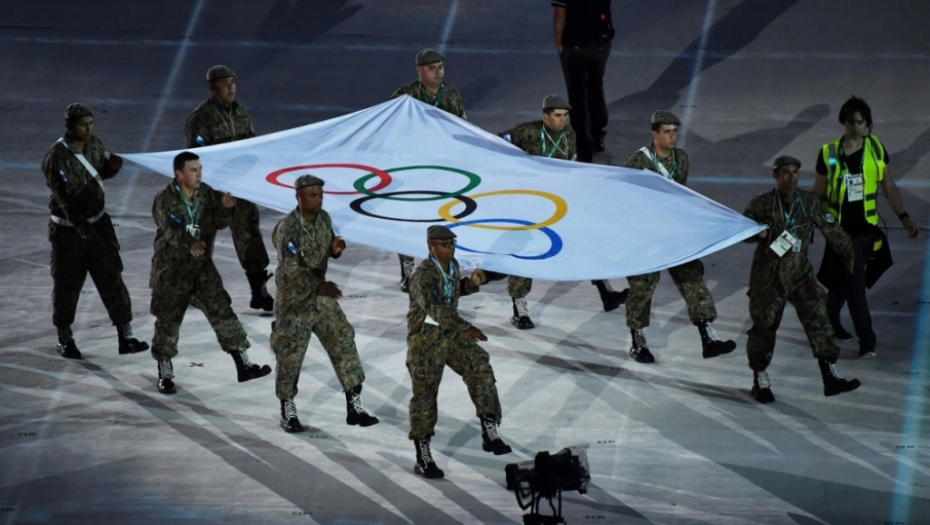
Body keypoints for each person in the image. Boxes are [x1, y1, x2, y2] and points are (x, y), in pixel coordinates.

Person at [492, 94, 628, 330]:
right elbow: (497, 142)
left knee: (584, 242)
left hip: (558, 201)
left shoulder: (569, 134)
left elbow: (570, 163)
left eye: (565, 115)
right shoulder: (528, 132)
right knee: (524, 251)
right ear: (545, 116)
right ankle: (519, 309)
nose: (562, 120)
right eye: (557, 115)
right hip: (531, 203)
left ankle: (606, 292)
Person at [149, 151, 272, 395]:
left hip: (202, 267)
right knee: (168, 320)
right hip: (172, 269)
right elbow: (171, 229)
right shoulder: (165, 198)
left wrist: (226, 208)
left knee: (222, 310)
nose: (199, 174)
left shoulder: (206, 193)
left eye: (200, 169)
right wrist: (189, 244)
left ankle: (243, 365)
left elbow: (218, 221)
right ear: (179, 174)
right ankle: (165, 374)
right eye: (193, 170)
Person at [743, 156, 862, 403]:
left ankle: (830, 376)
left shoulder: (808, 202)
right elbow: (742, 230)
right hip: (768, 278)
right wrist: (756, 233)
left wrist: (849, 254)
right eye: (786, 173)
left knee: (819, 319)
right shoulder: (762, 204)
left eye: (795, 172)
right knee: (764, 328)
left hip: (800, 274)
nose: (792, 177)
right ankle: (760, 379)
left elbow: (831, 228)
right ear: (775, 176)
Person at [622, 110, 735, 362]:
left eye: (675, 132)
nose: (672, 136)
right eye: (667, 132)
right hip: (646, 236)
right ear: (655, 133)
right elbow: (626, 198)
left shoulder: (681, 159)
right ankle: (638, 341)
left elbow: (681, 196)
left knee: (692, 280)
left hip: (674, 234)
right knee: (642, 288)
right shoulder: (638, 161)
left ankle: (708, 337)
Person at [270, 175, 379, 433]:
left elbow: (325, 248)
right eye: (312, 195)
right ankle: (288, 409)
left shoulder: (324, 219)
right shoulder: (288, 228)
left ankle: (354, 407)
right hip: (294, 299)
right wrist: (319, 285)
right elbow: (291, 268)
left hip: (319, 296)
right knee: (290, 354)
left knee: (343, 340)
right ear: (298, 197)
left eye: (319, 194)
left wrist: (334, 249)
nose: (317, 199)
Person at [812, 96, 919, 358]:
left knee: (844, 281)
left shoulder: (876, 149)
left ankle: (829, 320)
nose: (856, 127)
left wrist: (904, 216)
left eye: (860, 122)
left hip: (865, 230)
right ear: (843, 122)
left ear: (867, 123)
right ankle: (867, 341)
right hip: (839, 231)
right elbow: (819, 192)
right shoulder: (829, 154)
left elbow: (888, 186)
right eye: (851, 122)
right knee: (854, 286)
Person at [42, 103, 149, 359]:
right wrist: (78, 223)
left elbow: (100, 173)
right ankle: (65, 339)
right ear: (69, 126)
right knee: (67, 285)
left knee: (112, 279)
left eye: (91, 124)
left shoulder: (94, 144)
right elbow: (62, 195)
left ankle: (125, 337)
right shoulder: (56, 157)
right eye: (83, 125)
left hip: (98, 226)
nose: (88, 129)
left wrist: (112, 168)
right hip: (69, 232)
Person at [406, 225, 511, 479]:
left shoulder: (451, 266)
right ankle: (423, 456)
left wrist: (471, 284)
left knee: (479, 364)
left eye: (452, 243)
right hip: (426, 339)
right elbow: (436, 309)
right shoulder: (422, 276)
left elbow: (451, 292)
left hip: (449, 333)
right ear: (431, 247)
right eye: (444, 244)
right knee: (425, 395)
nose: (450, 248)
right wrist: (466, 327)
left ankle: (489, 430)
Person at [184, 65, 274, 312]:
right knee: (202, 239)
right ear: (212, 88)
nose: (230, 87)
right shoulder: (201, 117)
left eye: (232, 82)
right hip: (211, 190)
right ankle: (196, 290)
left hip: (239, 187)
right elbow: (195, 157)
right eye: (224, 83)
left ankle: (258, 291)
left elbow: (252, 144)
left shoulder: (241, 113)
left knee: (250, 236)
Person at [390, 49, 467, 292]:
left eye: (440, 67)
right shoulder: (405, 96)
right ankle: (407, 269)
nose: (438, 72)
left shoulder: (451, 94)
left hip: (442, 169)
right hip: (412, 169)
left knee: (442, 220)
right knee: (408, 220)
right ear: (419, 71)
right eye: (431, 68)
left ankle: (440, 269)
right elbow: (391, 127)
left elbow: (463, 127)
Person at [552, 0, 615, 163]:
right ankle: (597, 135)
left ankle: (584, 147)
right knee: (595, 86)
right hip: (600, 40)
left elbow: (560, 12)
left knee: (577, 94)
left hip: (574, 44)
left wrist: (558, 41)